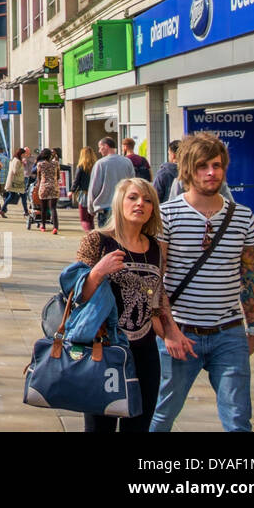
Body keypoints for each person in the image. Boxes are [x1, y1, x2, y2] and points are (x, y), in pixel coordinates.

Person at [151, 133, 254, 432]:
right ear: (187, 170)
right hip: (181, 333)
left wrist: (252, 328)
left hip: (230, 333)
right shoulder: (167, 215)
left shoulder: (243, 216)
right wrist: (169, 331)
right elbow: (156, 279)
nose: (211, 172)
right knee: (161, 416)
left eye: (217, 165)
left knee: (239, 420)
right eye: (202, 166)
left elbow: (248, 276)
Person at [75, 177, 179, 433]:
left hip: (144, 352)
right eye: (133, 197)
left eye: (147, 200)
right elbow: (76, 295)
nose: (140, 204)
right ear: (120, 202)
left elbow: (157, 294)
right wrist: (98, 271)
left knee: (140, 425)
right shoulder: (98, 240)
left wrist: (171, 330)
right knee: (100, 427)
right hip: (103, 350)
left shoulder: (155, 247)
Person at [90, 137, 136, 229]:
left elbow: (94, 187)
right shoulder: (127, 162)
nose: (99, 151)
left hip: (105, 207)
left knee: (106, 239)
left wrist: (91, 208)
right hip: (122, 207)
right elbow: (132, 183)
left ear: (106, 146)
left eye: (100, 147)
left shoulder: (100, 164)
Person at [35, 148, 61, 234]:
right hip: (54, 187)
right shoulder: (56, 164)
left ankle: (43, 226)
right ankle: (55, 227)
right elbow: (58, 176)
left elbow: (38, 177)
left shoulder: (40, 164)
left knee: (44, 208)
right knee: (53, 208)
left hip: (44, 187)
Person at [72, 147, 96, 231]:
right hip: (94, 194)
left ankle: (89, 234)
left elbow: (76, 180)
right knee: (91, 218)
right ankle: (93, 233)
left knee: (84, 219)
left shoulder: (81, 166)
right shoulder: (96, 166)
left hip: (84, 194)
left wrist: (72, 190)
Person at [153, 140, 180, 205]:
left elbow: (155, 196)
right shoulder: (191, 171)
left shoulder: (164, 172)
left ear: (173, 155)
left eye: (168, 153)